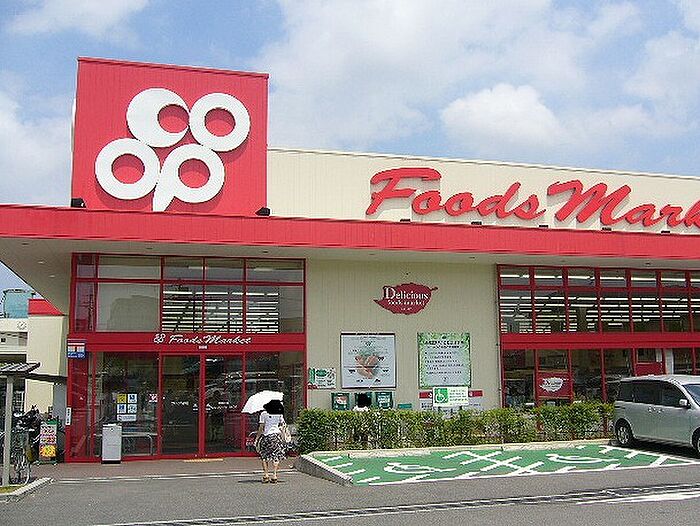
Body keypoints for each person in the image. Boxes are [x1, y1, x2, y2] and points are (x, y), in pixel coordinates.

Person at [255, 399, 287, 483]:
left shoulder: (263, 414)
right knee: (276, 456)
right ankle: (274, 475)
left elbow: (261, 427)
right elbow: (282, 424)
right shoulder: (279, 413)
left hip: (267, 436)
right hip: (276, 436)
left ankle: (266, 475)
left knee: (264, 456)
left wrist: (257, 438)